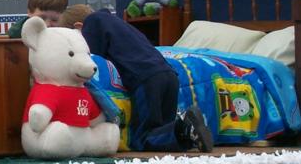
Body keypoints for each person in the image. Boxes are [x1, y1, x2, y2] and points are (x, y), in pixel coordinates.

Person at [80, 10, 213, 153]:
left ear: (78, 27)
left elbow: (93, 59)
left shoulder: (93, 22)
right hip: (170, 75)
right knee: (163, 133)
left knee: (142, 138)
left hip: (146, 79)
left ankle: (186, 126)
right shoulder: (121, 26)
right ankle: (190, 131)